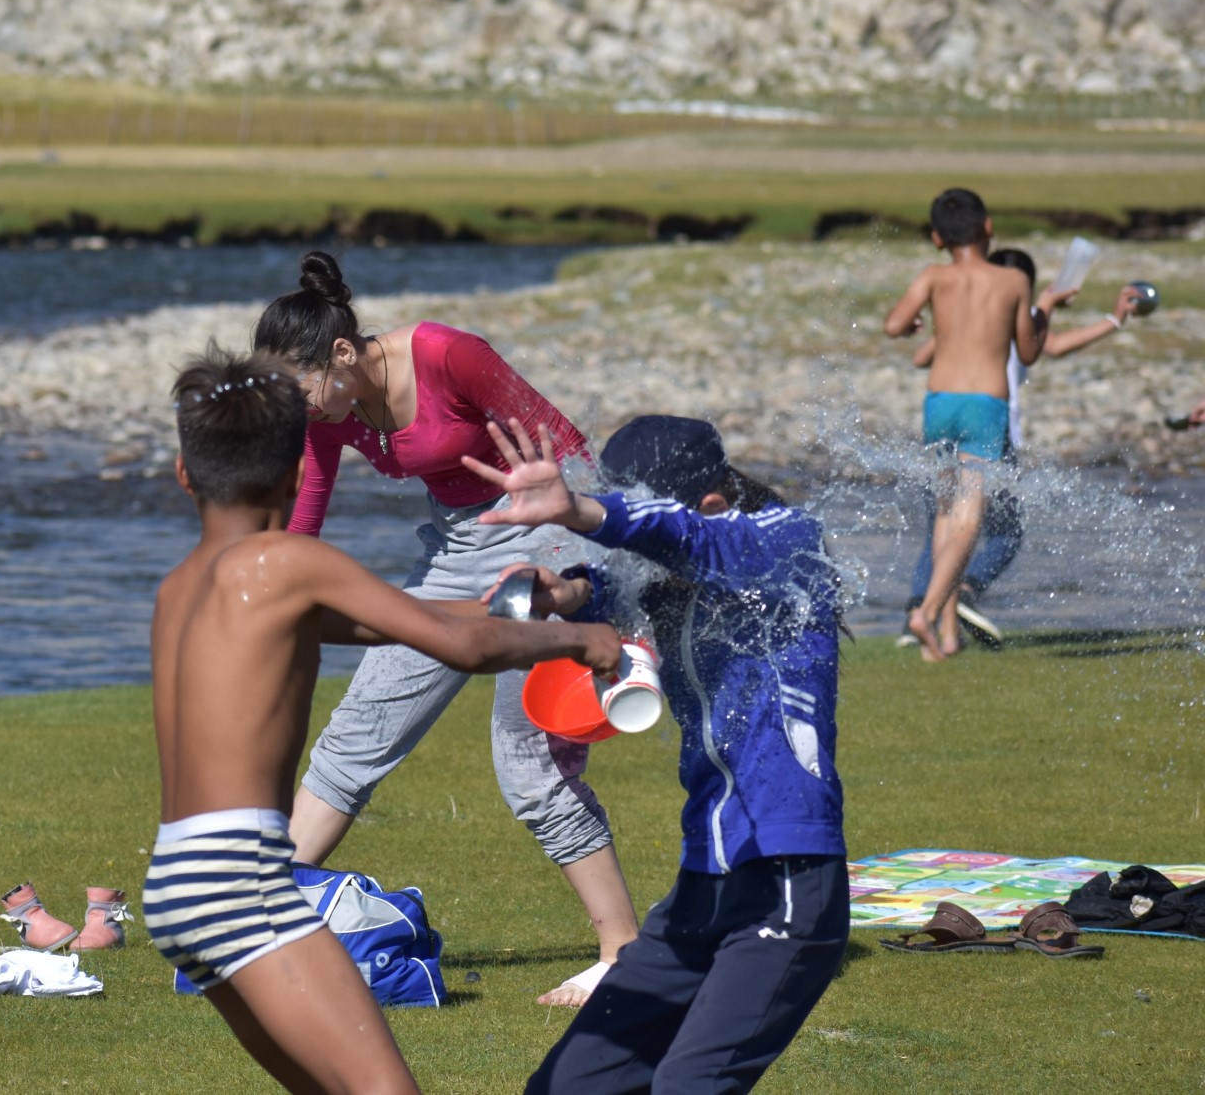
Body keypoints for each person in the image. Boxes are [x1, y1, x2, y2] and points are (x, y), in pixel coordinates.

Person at [146, 350, 622, 1095]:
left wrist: (535, 603)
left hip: (174, 886)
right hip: (244, 882)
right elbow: (462, 647)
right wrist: (580, 638)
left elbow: (408, 624)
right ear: (298, 476)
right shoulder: (287, 565)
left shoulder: (180, 588)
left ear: (184, 471)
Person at [252, 249, 639, 1006]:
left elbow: (566, 452)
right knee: (358, 730)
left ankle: (623, 949)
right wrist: (271, 588)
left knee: (526, 761)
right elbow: (310, 504)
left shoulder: (446, 354)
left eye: (305, 393)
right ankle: (256, 921)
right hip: (457, 551)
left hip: (548, 538)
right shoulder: (327, 408)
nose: (305, 411)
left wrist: (589, 573)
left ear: (340, 353)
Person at [456, 415, 847, 1095]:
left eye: (640, 511)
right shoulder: (666, 575)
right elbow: (611, 584)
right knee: (566, 1087)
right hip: (702, 888)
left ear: (713, 505)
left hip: (788, 881)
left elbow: (684, 538)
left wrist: (581, 510)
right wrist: (563, 592)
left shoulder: (786, 544)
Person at [900, 249, 1145, 650]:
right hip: (991, 435)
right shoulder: (1018, 315)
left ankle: (941, 631)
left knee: (944, 529)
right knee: (1001, 533)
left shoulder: (966, 316)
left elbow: (921, 355)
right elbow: (1051, 347)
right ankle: (963, 591)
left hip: (946, 426)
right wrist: (1102, 316)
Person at [883, 188, 1043, 660]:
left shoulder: (934, 276)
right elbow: (1028, 351)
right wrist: (1047, 316)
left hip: (939, 403)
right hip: (984, 406)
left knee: (944, 513)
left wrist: (917, 327)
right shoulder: (1013, 280)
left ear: (937, 238)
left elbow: (895, 325)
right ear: (989, 228)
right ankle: (927, 611)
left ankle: (947, 636)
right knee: (969, 520)